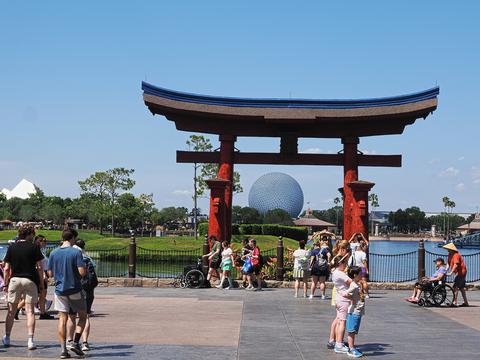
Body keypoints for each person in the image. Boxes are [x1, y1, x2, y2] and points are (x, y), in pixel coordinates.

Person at [2, 225, 45, 350]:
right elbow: (40, 267)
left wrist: (5, 284)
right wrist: (41, 284)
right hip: (30, 280)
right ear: (29, 234)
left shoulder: (12, 247)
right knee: (30, 311)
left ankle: (7, 337)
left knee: (11, 311)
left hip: (15, 280)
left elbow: (6, 268)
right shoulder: (34, 247)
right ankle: (30, 340)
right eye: (32, 234)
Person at [48, 229, 87, 358]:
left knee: (62, 319)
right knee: (82, 316)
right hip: (74, 288)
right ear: (73, 239)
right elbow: (82, 272)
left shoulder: (53, 253)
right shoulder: (76, 252)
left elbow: (50, 274)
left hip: (60, 290)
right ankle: (75, 342)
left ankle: (63, 350)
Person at [345, 266, 365, 358]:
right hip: (354, 312)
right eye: (360, 274)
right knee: (351, 331)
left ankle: (352, 347)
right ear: (355, 275)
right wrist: (351, 298)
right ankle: (351, 349)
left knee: (353, 331)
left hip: (357, 311)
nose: (362, 275)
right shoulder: (353, 285)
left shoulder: (357, 284)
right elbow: (345, 293)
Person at [35, 235, 54, 320]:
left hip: (43, 272)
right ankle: (18, 309)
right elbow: (38, 265)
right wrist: (43, 274)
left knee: (42, 295)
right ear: (39, 242)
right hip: (41, 274)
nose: (45, 243)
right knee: (40, 295)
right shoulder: (36, 251)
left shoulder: (40, 251)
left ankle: (43, 313)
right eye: (44, 241)